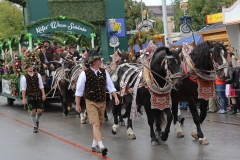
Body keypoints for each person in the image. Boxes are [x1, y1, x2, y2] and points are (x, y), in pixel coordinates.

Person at [75, 51, 119, 156]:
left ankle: (94, 145)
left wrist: (116, 97)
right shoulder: (84, 73)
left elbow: (110, 86)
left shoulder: (104, 72)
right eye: (99, 60)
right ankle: (101, 146)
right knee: (96, 123)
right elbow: (79, 91)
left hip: (102, 101)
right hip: (90, 102)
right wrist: (77, 104)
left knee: (100, 124)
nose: (101, 61)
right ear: (94, 62)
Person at [21, 64, 46, 133]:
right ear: (26, 69)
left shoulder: (37, 75)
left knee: (40, 110)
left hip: (38, 95)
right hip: (30, 95)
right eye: (29, 67)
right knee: (33, 111)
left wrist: (43, 94)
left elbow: (41, 85)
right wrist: (23, 98)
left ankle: (36, 120)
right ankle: (35, 126)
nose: (30, 68)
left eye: (31, 66)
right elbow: (23, 89)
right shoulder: (24, 77)